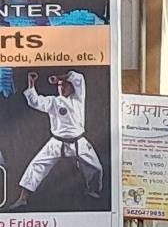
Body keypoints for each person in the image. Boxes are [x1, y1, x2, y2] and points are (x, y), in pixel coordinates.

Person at [11, 70, 102, 208]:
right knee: (36, 166)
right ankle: (23, 198)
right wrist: (31, 83)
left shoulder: (78, 98)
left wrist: (59, 77)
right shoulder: (53, 102)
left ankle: (93, 191)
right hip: (57, 143)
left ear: (72, 87)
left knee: (96, 168)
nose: (61, 87)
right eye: (59, 85)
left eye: (64, 85)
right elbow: (35, 101)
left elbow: (79, 78)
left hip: (78, 142)